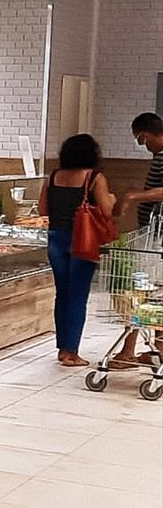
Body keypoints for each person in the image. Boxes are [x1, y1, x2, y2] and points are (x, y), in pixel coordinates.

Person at [38, 134, 114, 366]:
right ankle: (71, 352)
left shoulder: (53, 176)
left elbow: (43, 210)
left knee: (62, 294)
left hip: (56, 240)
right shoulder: (94, 177)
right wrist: (112, 199)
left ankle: (62, 349)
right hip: (82, 241)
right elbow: (106, 210)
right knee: (78, 296)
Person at [112, 112, 163, 366]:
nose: (142, 145)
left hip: (158, 238)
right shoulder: (159, 156)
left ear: (146, 134)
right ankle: (153, 350)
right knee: (150, 293)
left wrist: (133, 196)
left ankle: (132, 351)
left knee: (143, 292)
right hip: (152, 233)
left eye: (140, 139)